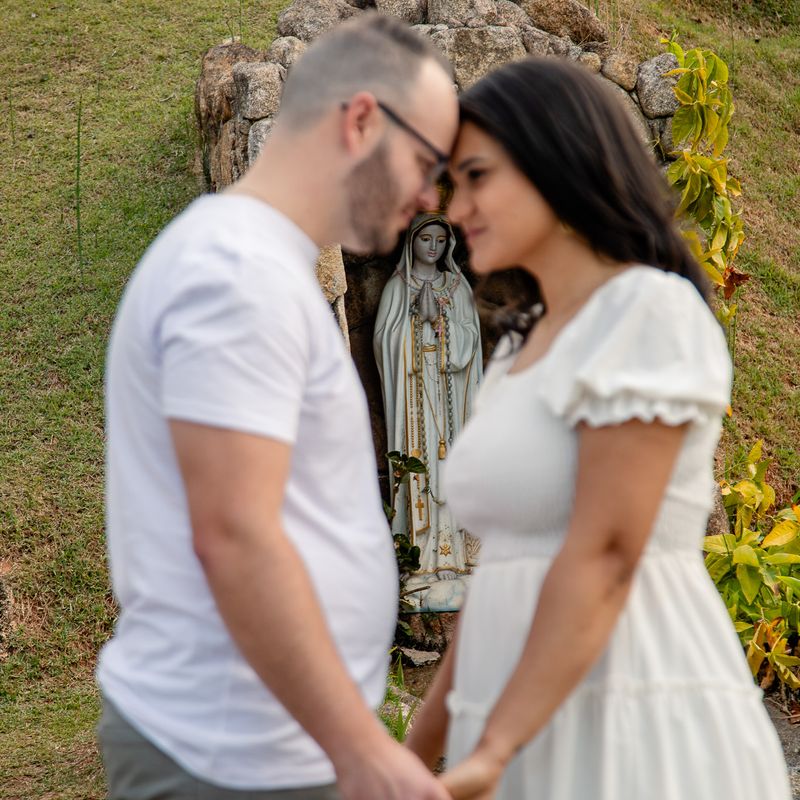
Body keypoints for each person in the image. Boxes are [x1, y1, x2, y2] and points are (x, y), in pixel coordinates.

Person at [404, 57, 792, 800]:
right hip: (512, 725)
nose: (454, 211)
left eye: (477, 176)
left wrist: (493, 747)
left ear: (559, 162)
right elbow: (503, 570)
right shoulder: (520, 346)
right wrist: (413, 754)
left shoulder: (647, 311)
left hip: (627, 711)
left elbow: (609, 552)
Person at [96, 13, 458, 800]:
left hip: (262, 752)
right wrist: (362, 748)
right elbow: (235, 533)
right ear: (363, 118)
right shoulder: (236, 272)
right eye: (428, 162)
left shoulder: (265, 265)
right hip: (230, 761)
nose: (432, 197)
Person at [374, 213, 482, 611]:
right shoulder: (396, 288)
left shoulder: (458, 287)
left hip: (452, 399)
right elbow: (385, 343)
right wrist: (414, 324)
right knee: (423, 473)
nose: (433, 248)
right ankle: (420, 562)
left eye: (440, 240)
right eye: (426, 240)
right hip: (415, 400)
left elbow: (472, 341)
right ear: (412, 243)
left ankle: (455, 559)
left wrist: (445, 325)